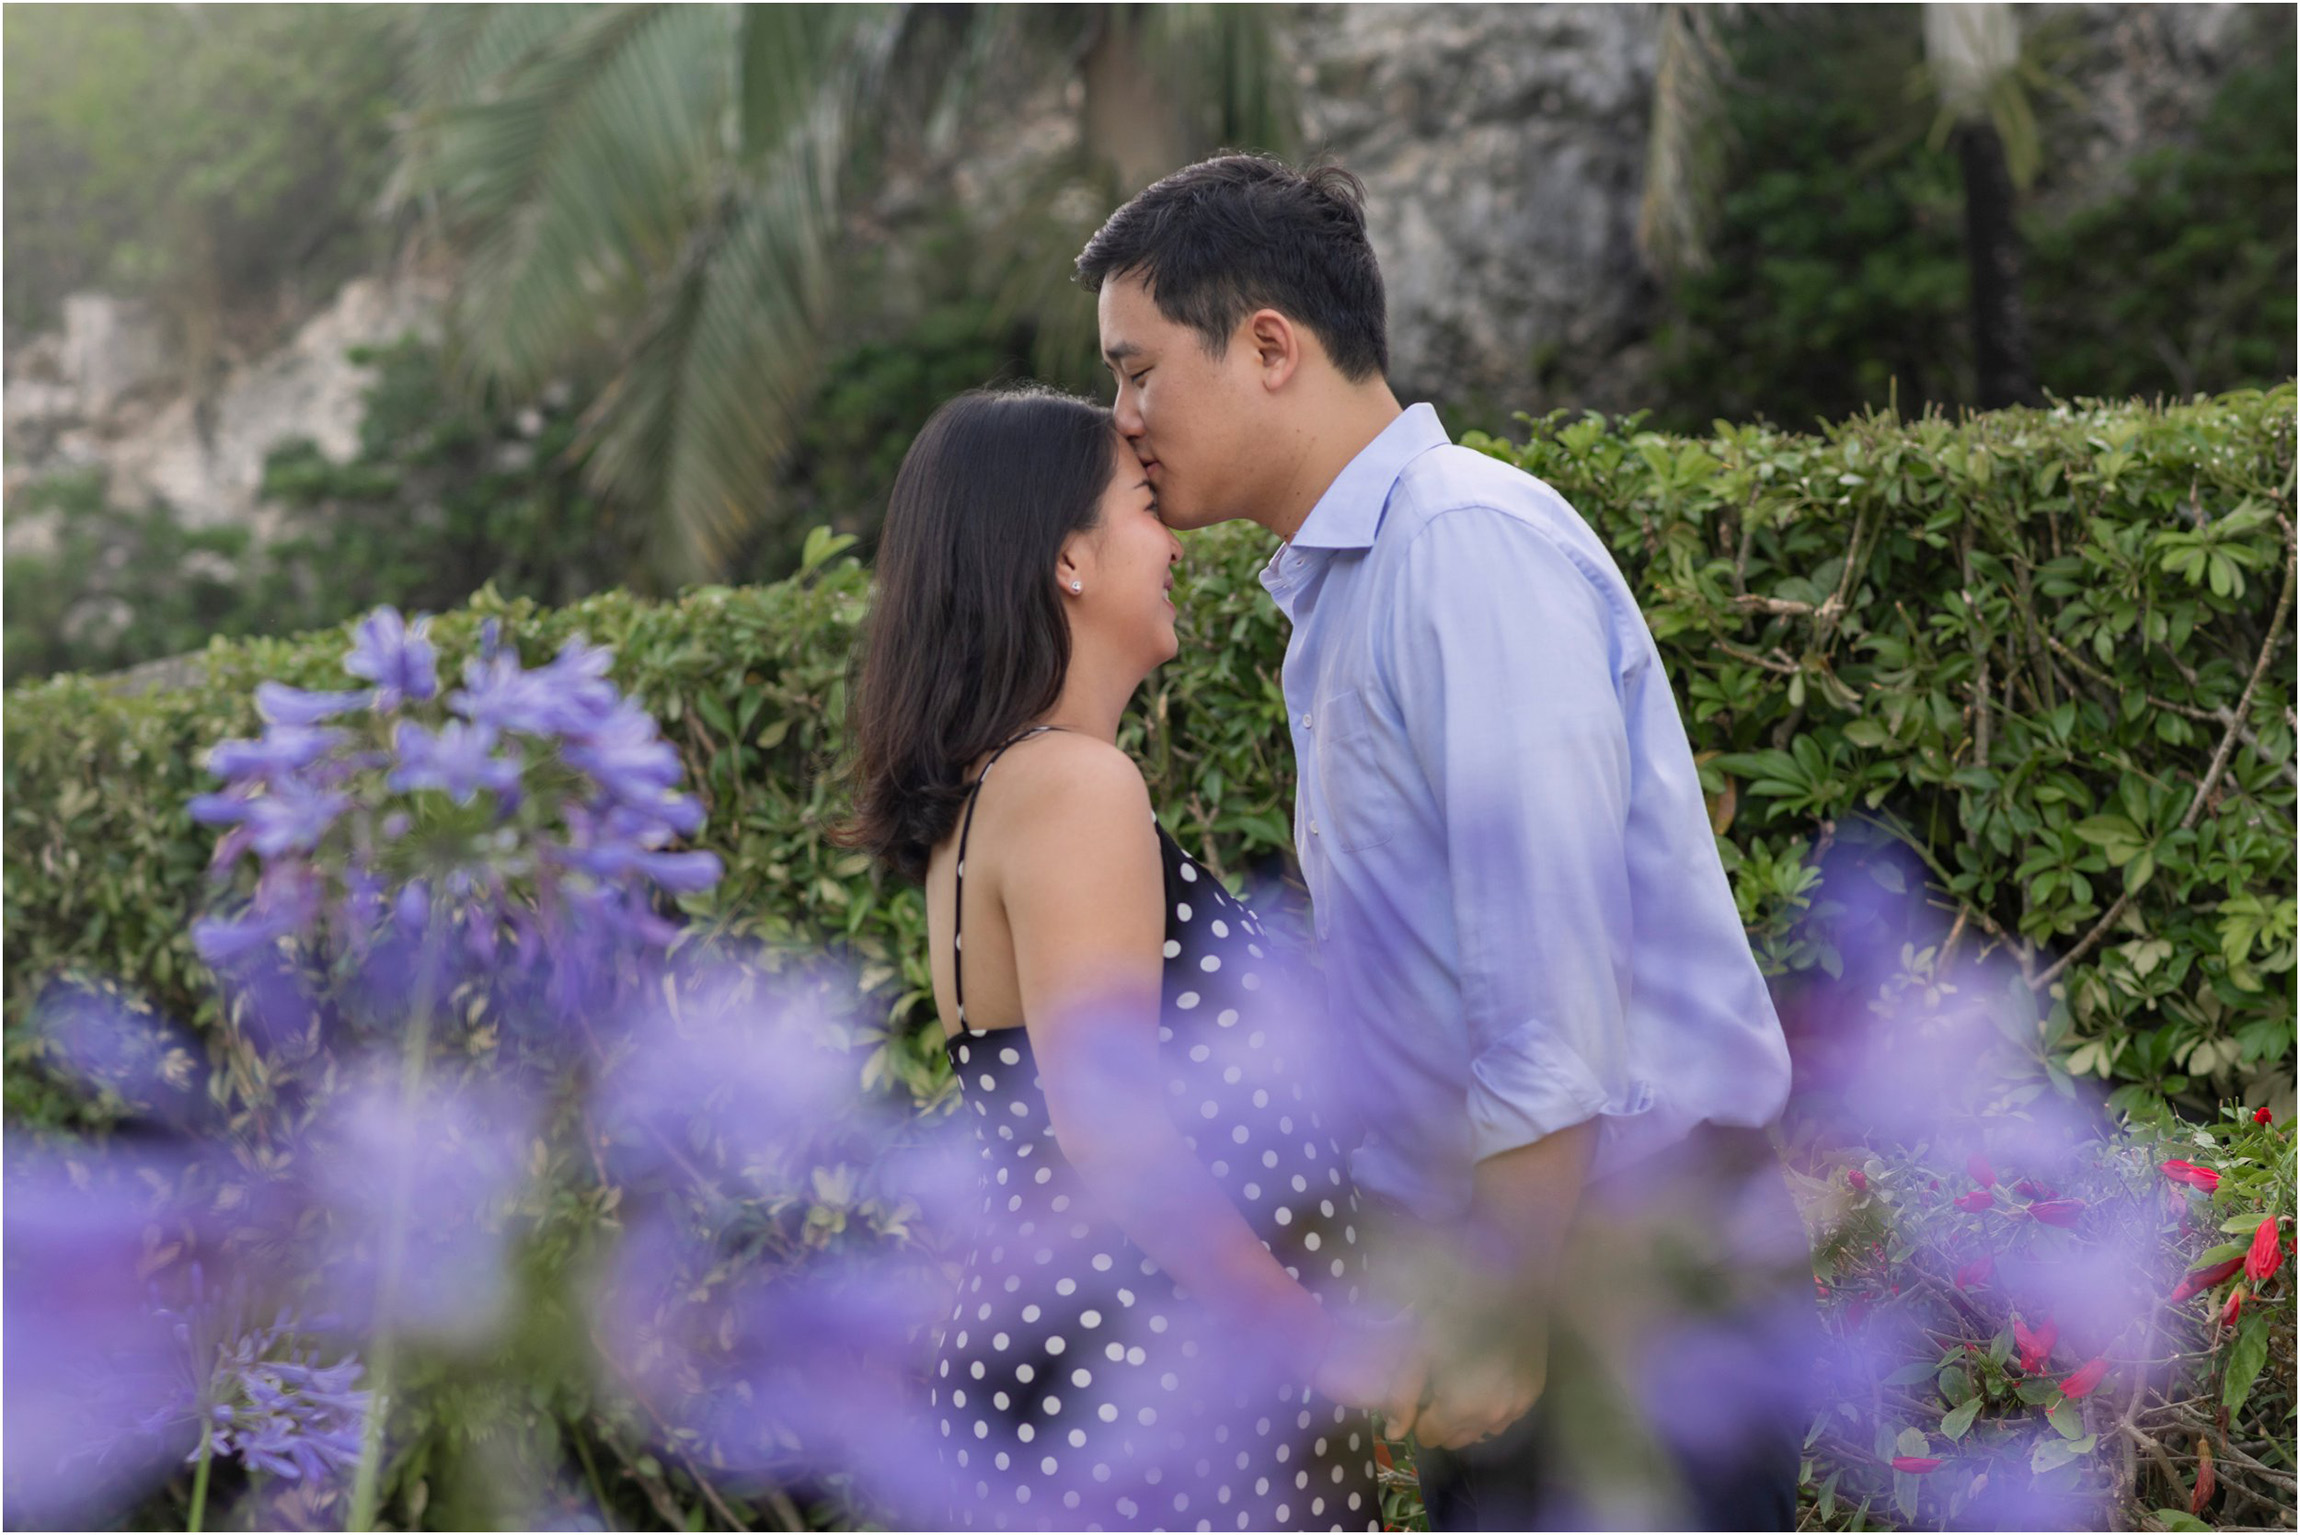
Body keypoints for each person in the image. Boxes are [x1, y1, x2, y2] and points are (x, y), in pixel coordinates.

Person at [1076, 155, 1809, 1531]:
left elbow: (1550, 969)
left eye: (1139, 371)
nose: (1123, 423)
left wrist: (1512, 1300)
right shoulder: (1354, 587)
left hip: (1612, 1273)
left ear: (1271, 346)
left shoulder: (1461, 544)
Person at [839, 386, 1423, 1531]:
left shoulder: (996, 792)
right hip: (1144, 1377)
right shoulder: (1072, 786)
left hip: (1090, 1359)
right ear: (1067, 557)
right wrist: (1317, 1342)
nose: (1172, 544)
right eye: (1143, 507)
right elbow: (1113, 1129)